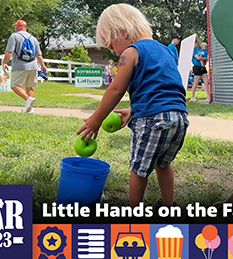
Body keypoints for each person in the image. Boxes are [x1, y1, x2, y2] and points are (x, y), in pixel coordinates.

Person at [77, 3, 189, 209]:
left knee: (138, 169)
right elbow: (162, 88)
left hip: (153, 120)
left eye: (112, 45)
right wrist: (133, 110)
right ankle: (168, 204)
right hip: (179, 118)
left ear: (123, 32)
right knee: (162, 163)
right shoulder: (165, 51)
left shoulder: (130, 52)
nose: (114, 51)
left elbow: (116, 90)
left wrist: (96, 119)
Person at [2, 19, 47, 113]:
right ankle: (30, 109)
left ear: (21, 27)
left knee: (14, 85)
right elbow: (39, 55)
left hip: (20, 66)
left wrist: (4, 62)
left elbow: (9, 52)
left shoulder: (14, 36)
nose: (15, 27)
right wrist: (42, 66)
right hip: (33, 66)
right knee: (29, 87)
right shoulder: (33, 38)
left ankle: (27, 99)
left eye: (16, 26)